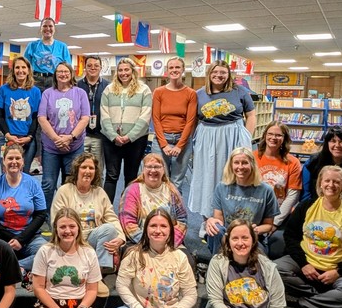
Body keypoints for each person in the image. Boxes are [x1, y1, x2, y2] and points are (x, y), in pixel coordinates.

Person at [109, 210, 208, 308]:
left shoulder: (180, 257)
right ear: (146, 229)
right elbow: (122, 286)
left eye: (163, 226)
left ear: (170, 230)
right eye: (153, 226)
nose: (158, 230)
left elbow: (190, 294)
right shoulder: (134, 254)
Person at [277, 165, 342, 308]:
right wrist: (303, 264)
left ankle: (304, 302)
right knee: (273, 270)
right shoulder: (306, 207)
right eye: (327, 181)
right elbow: (290, 236)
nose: (331, 185)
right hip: (305, 263)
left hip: (337, 269)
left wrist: (338, 272)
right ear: (320, 183)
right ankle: (327, 300)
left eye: (336, 182)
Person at [25, 208, 116, 308]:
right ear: (56, 229)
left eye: (72, 226)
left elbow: (92, 290)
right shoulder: (45, 251)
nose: (67, 231)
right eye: (63, 227)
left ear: (78, 228)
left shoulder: (88, 252)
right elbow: (38, 288)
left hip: (80, 307)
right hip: (51, 307)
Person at [187, 61, 255, 219]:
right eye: (215, 72)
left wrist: (247, 137)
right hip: (207, 138)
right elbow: (193, 120)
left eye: (223, 72)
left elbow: (251, 115)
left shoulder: (240, 91)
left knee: (233, 174)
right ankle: (207, 218)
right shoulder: (199, 94)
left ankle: (233, 218)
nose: (219, 75)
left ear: (228, 74)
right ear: (209, 74)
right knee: (207, 177)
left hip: (233, 136)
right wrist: (193, 142)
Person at [51, 153, 124, 271]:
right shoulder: (64, 191)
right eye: (84, 167)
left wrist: (120, 238)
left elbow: (111, 218)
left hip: (92, 238)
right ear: (76, 170)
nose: (87, 171)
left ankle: (100, 269)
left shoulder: (99, 192)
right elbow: (57, 221)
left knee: (109, 229)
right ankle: (96, 272)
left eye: (91, 168)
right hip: (72, 238)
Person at [0, 143, 48, 270]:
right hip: (1, 237)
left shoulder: (33, 183)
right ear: (4, 161)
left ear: (23, 162)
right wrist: (14, 239)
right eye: (10, 158)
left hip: (30, 236)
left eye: (17, 158)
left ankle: (15, 267)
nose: (14, 162)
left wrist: (21, 239)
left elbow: (41, 215)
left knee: (47, 253)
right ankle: (21, 268)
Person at [203, 146, 278, 256]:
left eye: (245, 163)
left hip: (253, 237)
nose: (240, 167)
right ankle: (219, 262)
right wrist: (211, 221)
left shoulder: (266, 190)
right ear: (231, 165)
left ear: (252, 164)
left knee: (258, 259)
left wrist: (255, 230)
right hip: (228, 235)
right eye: (236, 163)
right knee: (216, 230)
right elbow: (219, 221)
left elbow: (268, 225)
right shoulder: (221, 187)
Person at [38, 61, 91, 208]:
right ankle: (45, 216)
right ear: (55, 75)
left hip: (74, 147)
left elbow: (85, 118)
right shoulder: (48, 93)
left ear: (71, 74)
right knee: (48, 184)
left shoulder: (80, 93)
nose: (63, 74)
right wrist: (57, 139)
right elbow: (42, 118)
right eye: (60, 71)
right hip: (51, 148)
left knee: (70, 183)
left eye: (66, 71)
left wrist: (70, 137)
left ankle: (68, 214)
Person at [100, 57, 152, 201]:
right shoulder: (109, 89)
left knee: (131, 176)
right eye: (120, 70)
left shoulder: (144, 90)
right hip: (112, 140)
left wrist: (129, 136)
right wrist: (113, 136)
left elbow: (145, 116)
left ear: (133, 71)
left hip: (136, 140)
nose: (123, 73)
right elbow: (104, 115)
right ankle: (106, 210)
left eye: (126, 70)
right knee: (111, 176)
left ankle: (128, 210)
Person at [117, 153, 189, 248]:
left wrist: (170, 243)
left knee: (185, 257)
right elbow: (128, 223)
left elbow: (182, 221)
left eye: (157, 167)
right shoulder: (132, 190)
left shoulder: (172, 190)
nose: (153, 170)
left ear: (163, 170)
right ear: (143, 170)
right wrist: (150, 245)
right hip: (140, 243)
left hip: (169, 243)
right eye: (149, 167)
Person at [254, 121, 302, 258]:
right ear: (265, 136)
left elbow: (293, 196)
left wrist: (275, 223)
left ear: (284, 138)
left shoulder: (293, 162)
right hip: (255, 212)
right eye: (270, 134)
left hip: (279, 215)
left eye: (278, 135)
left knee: (277, 247)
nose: (273, 138)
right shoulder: (253, 157)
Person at [151, 57, 197, 198]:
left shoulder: (191, 93)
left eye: (177, 67)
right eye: (171, 67)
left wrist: (179, 145)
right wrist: (164, 144)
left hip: (182, 140)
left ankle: (176, 211)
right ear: (167, 70)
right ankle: (160, 211)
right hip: (161, 140)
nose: (174, 70)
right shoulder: (159, 92)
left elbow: (190, 121)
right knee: (159, 178)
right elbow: (156, 119)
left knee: (177, 182)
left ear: (183, 70)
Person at [0, 55, 41, 168]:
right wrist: (7, 134)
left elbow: (36, 117)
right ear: (13, 70)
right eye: (17, 67)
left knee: (24, 173)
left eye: (23, 67)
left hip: (27, 140)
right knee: (7, 172)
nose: (20, 70)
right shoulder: (4, 89)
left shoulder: (35, 91)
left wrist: (29, 137)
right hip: (7, 138)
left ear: (28, 70)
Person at [76, 55, 108, 177]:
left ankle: (97, 190)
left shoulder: (108, 86)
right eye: (89, 65)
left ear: (101, 67)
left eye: (96, 66)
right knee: (79, 169)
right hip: (81, 135)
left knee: (98, 171)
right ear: (85, 67)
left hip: (100, 135)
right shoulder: (77, 86)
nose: (92, 68)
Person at [23, 17, 71, 91]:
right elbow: (25, 66)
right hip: (36, 80)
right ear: (40, 28)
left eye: (50, 26)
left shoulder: (62, 46)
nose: (48, 28)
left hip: (55, 80)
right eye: (45, 26)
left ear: (54, 29)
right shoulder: (32, 46)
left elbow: (68, 68)